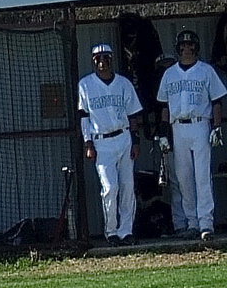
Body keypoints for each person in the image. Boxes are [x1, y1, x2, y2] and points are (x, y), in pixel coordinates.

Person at [157, 29, 227, 241]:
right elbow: (164, 105)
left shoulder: (205, 71)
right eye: (183, 46)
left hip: (200, 124)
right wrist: (163, 133)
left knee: (202, 176)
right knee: (184, 178)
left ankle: (206, 222)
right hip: (178, 126)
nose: (187, 49)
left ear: (196, 48)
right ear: (178, 49)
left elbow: (216, 101)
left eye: (191, 46)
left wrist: (216, 127)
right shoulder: (170, 74)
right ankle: (191, 223)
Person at [77, 43, 144, 245]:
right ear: (93, 61)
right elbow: (84, 116)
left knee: (127, 186)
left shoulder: (123, 84)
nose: (102, 62)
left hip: (123, 137)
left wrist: (136, 140)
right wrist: (88, 143)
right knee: (110, 187)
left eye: (106, 58)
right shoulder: (86, 84)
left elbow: (133, 114)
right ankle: (111, 231)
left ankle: (126, 231)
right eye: (98, 59)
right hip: (101, 141)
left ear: (111, 59)